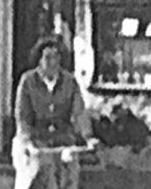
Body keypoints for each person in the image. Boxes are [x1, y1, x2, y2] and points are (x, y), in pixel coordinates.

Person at [11, 37, 93, 189]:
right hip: (36, 141)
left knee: (69, 173)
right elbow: (23, 116)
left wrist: (87, 136)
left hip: (62, 140)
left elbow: (79, 112)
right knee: (37, 173)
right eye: (47, 58)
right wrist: (27, 140)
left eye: (56, 57)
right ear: (39, 60)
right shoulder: (28, 81)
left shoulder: (70, 82)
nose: (52, 62)